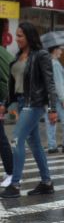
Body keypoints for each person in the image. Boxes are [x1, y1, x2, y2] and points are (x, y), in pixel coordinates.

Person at [1, 21, 58, 198]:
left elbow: (50, 83)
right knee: (35, 145)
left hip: (34, 104)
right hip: (20, 102)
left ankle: (15, 184)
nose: (16, 39)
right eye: (16, 35)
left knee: (16, 139)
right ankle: (46, 183)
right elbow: (13, 85)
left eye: (20, 36)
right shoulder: (18, 56)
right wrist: (4, 104)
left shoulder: (41, 55)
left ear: (29, 36)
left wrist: (52, 108)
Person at [0, 44, 13, 188]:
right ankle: (11, 171)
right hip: (3, 97)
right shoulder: (3, 51)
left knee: (1, 138)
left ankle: (12, 172)